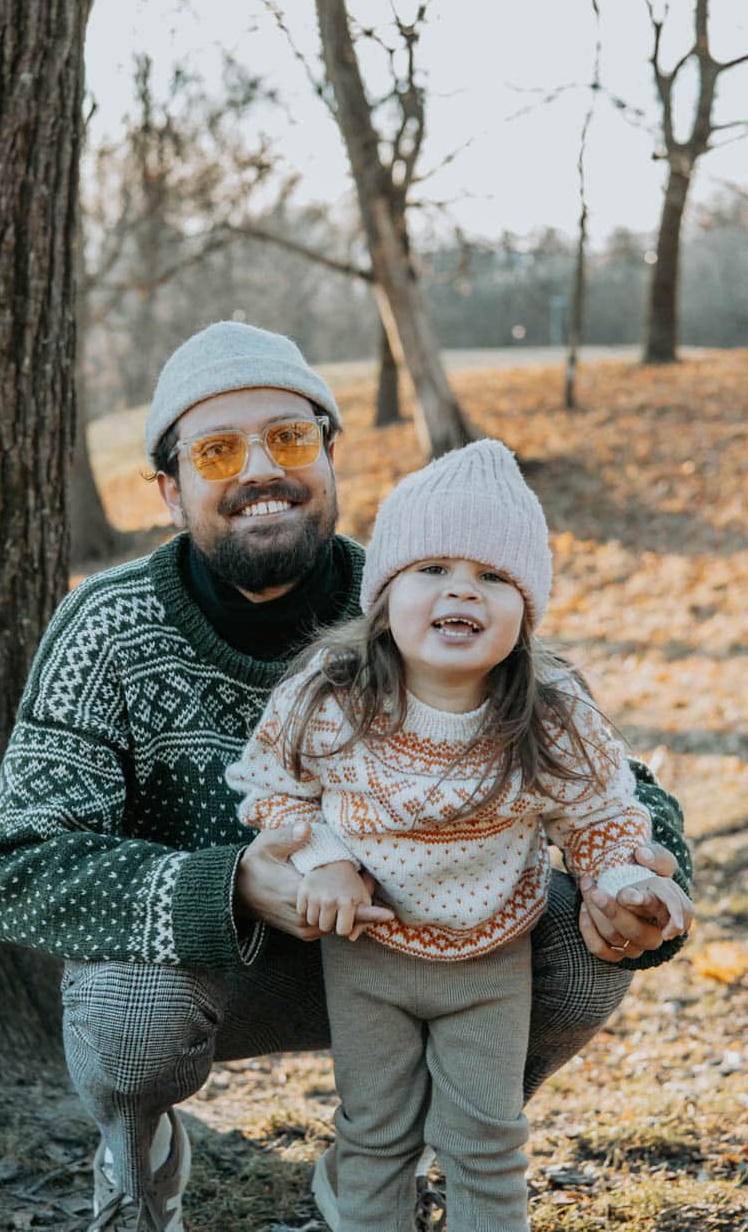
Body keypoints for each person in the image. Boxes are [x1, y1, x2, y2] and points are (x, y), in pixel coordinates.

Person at [0, 321, 695, 1232]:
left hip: (424, 938)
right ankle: (138, 1155)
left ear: (329, 456)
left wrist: (640, 877)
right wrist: (230, 885)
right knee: (129, 1003)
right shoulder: (106, 629)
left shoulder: (426, 594)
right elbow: (20, 865)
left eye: (289, 438)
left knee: (583, 952)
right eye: (218, 450)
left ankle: (390, 1158)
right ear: (170, 488)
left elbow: (601, 770)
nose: (261, 471)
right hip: (211, 975)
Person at [227, 439, 692, 1232]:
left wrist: (627, 883)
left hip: (489, 961)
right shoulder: (334, 694)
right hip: (365, 957)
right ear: (385, 594)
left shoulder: (549, 710)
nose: (463, 592)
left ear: (527, 609)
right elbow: (273, 788)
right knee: (376, 1135)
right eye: (433, 570)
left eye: (494, 577)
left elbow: (600, 815)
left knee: (487, 1141)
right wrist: (326, 860)